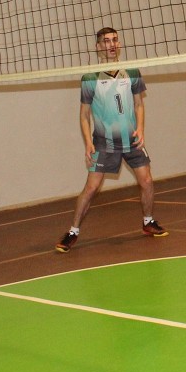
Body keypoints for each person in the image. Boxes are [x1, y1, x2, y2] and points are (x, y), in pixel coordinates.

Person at [55, 27, 168, 252]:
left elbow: (139, 104)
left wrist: (141, 129)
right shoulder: (90, 78)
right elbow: (84, 115)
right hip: (104, 142)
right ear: (98, 46)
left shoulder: (132, 71)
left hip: (131, 139)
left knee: (146, 181)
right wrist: (88, 143)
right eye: (106, 41)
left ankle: (148, 221)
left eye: (115, 40)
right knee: (91, 188)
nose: (111, 44)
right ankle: (73, 232)